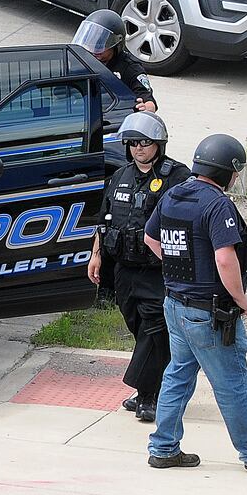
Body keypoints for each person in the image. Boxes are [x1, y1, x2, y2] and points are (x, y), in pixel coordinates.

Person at [142, 134, 247, 473]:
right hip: (209, 313)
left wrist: (180, 269)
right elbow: (225, 259)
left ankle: (164, 448)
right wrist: (241, 298)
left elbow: (150, 237)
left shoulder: (173, 194)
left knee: (178, 374)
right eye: (236, 172)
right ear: (226, 170)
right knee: (231, 382)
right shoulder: (216, 204)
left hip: (175, 305)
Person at [88, 112, 189, 422]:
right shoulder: (119, 177)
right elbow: (103, 222)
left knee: (155, 329)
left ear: (158, 144)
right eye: (132, 143)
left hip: (159, 271)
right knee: (138, 328)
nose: (139, 149)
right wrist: (96, 256)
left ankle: (149, 396)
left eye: (145, 143)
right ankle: (153, 386)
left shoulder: (178, 177)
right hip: (125, 271)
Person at [73, 9, 158, 112]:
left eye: (101, 45)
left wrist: (145, 108)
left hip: (114, 114)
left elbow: (149, 102)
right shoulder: (81, 60)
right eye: (91, 42)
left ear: (116, 44)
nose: (95, 49)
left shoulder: (130, 67)